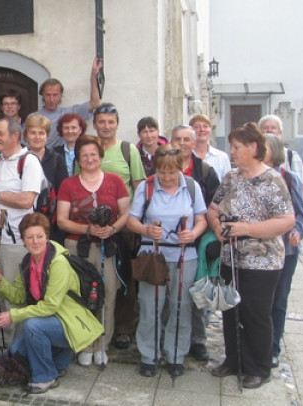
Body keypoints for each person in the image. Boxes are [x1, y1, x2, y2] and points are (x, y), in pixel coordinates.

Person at [207, 123, 294, 389]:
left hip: (263, 261)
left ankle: (259, 367)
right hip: (231, 257)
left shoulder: (273, 180)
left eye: (236, 147)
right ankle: (233, 360)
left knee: (255, 313)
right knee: (231, 310)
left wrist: (248, 229)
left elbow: (286, 220)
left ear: (253, 148)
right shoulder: (232, 177)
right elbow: (213, 207)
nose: (231, 152)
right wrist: (217, 227)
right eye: (231, 147)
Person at [0, 213, 103, 394]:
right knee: (15, 351)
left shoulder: (58, 263)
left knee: (32, 326)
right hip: (51, 320)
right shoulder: (27, 262)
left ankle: (45, 377)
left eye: (40, 236)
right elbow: (19, 296)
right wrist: (1, 282)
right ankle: (59, 363)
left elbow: (51, 306)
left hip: (71, 323)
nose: (35, 241)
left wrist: (12, 316)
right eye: (30, 237)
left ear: (47, 237)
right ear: (24, 241)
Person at [127, 145, 208, 377]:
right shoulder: (147, 187)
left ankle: (175, 354)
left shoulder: (191, 187)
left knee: (180, 306)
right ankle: (148, 355)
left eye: (171, 172)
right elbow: (132, 220)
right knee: (150, 306)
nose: (167, 177)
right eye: (162, 172)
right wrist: (146, 229)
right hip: (153, 255)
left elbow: (201, 219)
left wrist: (192, 233)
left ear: (179, 169)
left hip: (185, 256)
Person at [56, 135, 129, 366]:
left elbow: (127, 213)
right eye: (84, 155)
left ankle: (102, 344)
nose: (89, 159)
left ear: (101, 156)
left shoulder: (115, 181)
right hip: (79, 246)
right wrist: (88, 229)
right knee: (81, 295)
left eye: (93, 154)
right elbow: (61, 221)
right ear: (78, 158)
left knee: (108, 293)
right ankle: (84, 343)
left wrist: (112, 228)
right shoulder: (69, 184)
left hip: (107, 246)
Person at [0, 118, 44, 339]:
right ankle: (3, 343)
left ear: (15, 136)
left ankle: (16, 347)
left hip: (17, 241)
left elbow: (27, 200)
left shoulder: (29, 162)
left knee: (15, 296)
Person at [92, 103, 146, 350]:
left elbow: (139, 187)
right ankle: (94, 326)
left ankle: (123, 328)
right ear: (95, 124)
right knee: (94, 277)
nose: (106, 126)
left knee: (123, 277)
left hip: (122, 225)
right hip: (91, 226)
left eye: (110, 122)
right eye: (101, 122)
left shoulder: (128, 150)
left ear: (117, 123)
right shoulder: (89, 149)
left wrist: (132, 223)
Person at [169, 125, 220, 362]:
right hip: (171, 243)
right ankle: (170, 339)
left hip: (197, 242)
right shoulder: (164, 167)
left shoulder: (205, 172)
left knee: (197, 293)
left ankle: (198, 341)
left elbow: (215, 206)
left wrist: (202, 231)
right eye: (177, 139)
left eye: (186, 139)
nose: (182, 143)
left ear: (193, 142)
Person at [264, 134, 303, 368]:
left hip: (285, 251)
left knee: (278, 300)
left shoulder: (288, 179)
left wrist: (298, 232)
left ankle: (272, 347)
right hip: (258, 251)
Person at [28, 57, 103, 149]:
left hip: (62, 157)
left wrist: (93, 76)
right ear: (42, 95)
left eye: (55, 95)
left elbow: (95, 103)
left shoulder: (70, 113)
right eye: (48, 95)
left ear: (61, 95)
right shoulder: (33, 117)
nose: (51, 99)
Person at [259, 114, 303, 192]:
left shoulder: (291, 156)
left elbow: (300, 186)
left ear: (280, 132)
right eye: (265, 128)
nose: (269, 130)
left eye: (273, 128)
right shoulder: (253, 155)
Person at [189, 114, 231, 181]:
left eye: (205, 126)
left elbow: (228, 184)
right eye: (197, 127)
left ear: (210, 129)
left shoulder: (222, 157)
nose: (202, 129)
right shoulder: (186, 156)